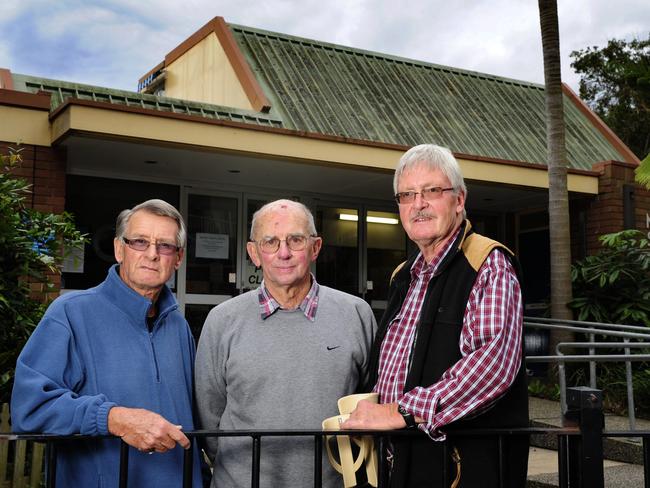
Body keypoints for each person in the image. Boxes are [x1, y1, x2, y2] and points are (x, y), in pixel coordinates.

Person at [342, 144, 529, 487]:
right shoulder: (403, 276)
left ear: (459, 200)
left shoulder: (487, 264)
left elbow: (492, 367)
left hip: (460, 470)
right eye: (407, 195)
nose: (419, 204)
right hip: (400, 466)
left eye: (432, 191)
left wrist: (400, 412)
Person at [11, 199, 203, 487]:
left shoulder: (178, 326)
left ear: (178, 258)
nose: (152, 254)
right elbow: (30, 409)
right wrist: (114, 418)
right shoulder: (71, 313)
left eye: (164, 245)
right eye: (139, 241)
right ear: (118, 249)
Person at [195, 199, 377, 487]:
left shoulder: (356, 314)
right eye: (270, 242)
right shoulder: (221, 321)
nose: (284, 253)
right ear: (254, 253)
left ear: (315, 248)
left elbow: (369, 401)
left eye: (295, 240)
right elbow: (209, 418)